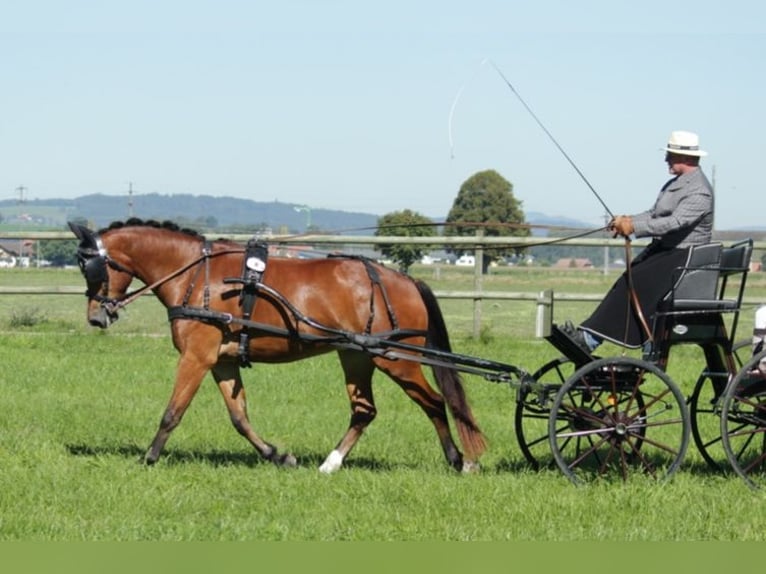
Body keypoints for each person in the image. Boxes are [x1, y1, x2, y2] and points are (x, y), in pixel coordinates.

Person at [562, 130, 715, 351]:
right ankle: (588, 336)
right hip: (666, 251)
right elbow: (653, 214)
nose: (666, 159)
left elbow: (675, 222)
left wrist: (633, 227)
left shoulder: (700, 191)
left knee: (635, 283)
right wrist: (626, 220)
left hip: (685, 257)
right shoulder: (675, 184)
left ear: (686, 158)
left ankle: (591, 340)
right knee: (626, 281)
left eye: (670, 155)